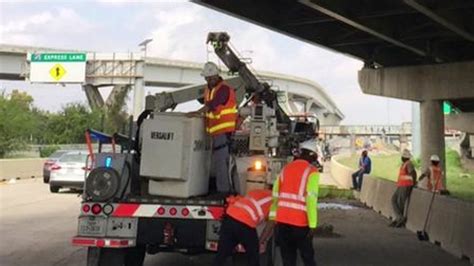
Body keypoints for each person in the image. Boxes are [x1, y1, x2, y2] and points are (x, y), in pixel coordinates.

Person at [270, 139, 320, 266]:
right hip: (300, 223)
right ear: (311, 155)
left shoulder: (286, 169)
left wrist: (273, 218)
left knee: (288, 259)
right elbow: (311, 200)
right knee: (308, 258)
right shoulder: (312, 172)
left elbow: (275, 194)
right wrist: (312, 225)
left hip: (282, 222)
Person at [194, 62, 238, 193]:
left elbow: (212, 104)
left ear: (216, 76)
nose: (209, 80)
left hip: (223, 132)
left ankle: (223, 192)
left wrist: (196, 112)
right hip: (214, 132)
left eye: (211, 78)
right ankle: (218, 189)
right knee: (216, 162)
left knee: (221, 163)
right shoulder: (209, 89)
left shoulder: (223, 89)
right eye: (207, 78)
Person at [213, 189, 273, 266]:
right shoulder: (277, 203)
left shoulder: (260, 191)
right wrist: (261, 241)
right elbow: (270, 225)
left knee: (221, 255)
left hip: (230, 216)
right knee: (253, 257)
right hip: (245, 223)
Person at [390, 149, 416, 228]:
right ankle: (399, 218)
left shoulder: (409, 164)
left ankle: (399, 220)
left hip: (406, 185)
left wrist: (413, 183)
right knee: (393, 200)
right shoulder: (404, 164)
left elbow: (413, 173)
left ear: (405, 157)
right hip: (401, 185)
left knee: (400, 203)